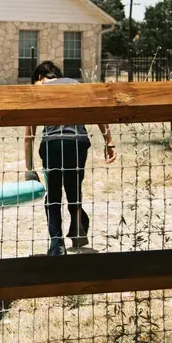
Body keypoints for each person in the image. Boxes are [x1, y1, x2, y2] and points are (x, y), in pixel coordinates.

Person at [24, 61, 117, 257]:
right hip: (78, 141)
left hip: (53, 144)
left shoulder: (39, 90)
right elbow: (97, 110)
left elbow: (29, 135)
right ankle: (78, 228)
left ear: (40, 78)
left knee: (54, 195)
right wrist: (109, 142)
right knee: (74, 189)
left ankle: (57, 244)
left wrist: (29, 168)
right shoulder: (75, 84)